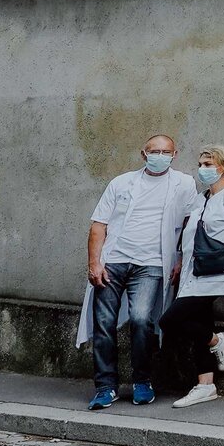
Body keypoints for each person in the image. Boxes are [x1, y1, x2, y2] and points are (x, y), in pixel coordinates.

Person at [81, 134, 196, 408]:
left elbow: (191, 223)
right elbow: (99, 225)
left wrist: (181, 257)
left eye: (165, 151)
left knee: (143, 319)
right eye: (154, 151)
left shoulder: (184, 184)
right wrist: (94, 263)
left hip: (152, 264)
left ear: (174, 154)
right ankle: (105, 386)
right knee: (103, 323)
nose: (160, 155)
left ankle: (142, 381)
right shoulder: (121, 183)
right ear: (143, 154)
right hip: (114, 261)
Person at [164, 145, 224, 410]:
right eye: (201, 164)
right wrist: (181, 262)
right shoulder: (200, 198)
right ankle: (206, 385)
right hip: (193, 273)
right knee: (199, 322)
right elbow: (190, 236)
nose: (203, 169)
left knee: (170, 320)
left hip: (216, 274)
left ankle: (218, 341)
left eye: (209, 164)